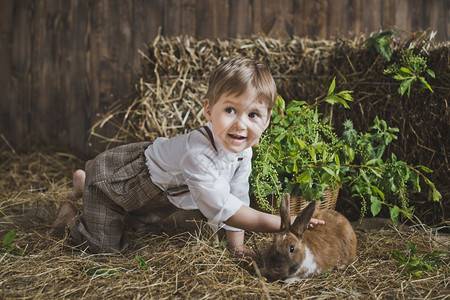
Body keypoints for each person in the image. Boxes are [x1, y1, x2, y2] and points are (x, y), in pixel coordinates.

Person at [52, 57, 324, 256]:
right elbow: (227, 211)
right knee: (104, 249)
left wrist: (237, 247)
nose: (241, 124)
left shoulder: (243, 152)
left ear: (266, 122)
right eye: (230, 110)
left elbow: (237, 198)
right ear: (208, 110)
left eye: (253, 115)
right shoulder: (199, 154)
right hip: (119, 183)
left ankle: (84, 182)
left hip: (156, 194)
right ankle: (74, 211)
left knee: (141, 227)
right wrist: (283, 224)